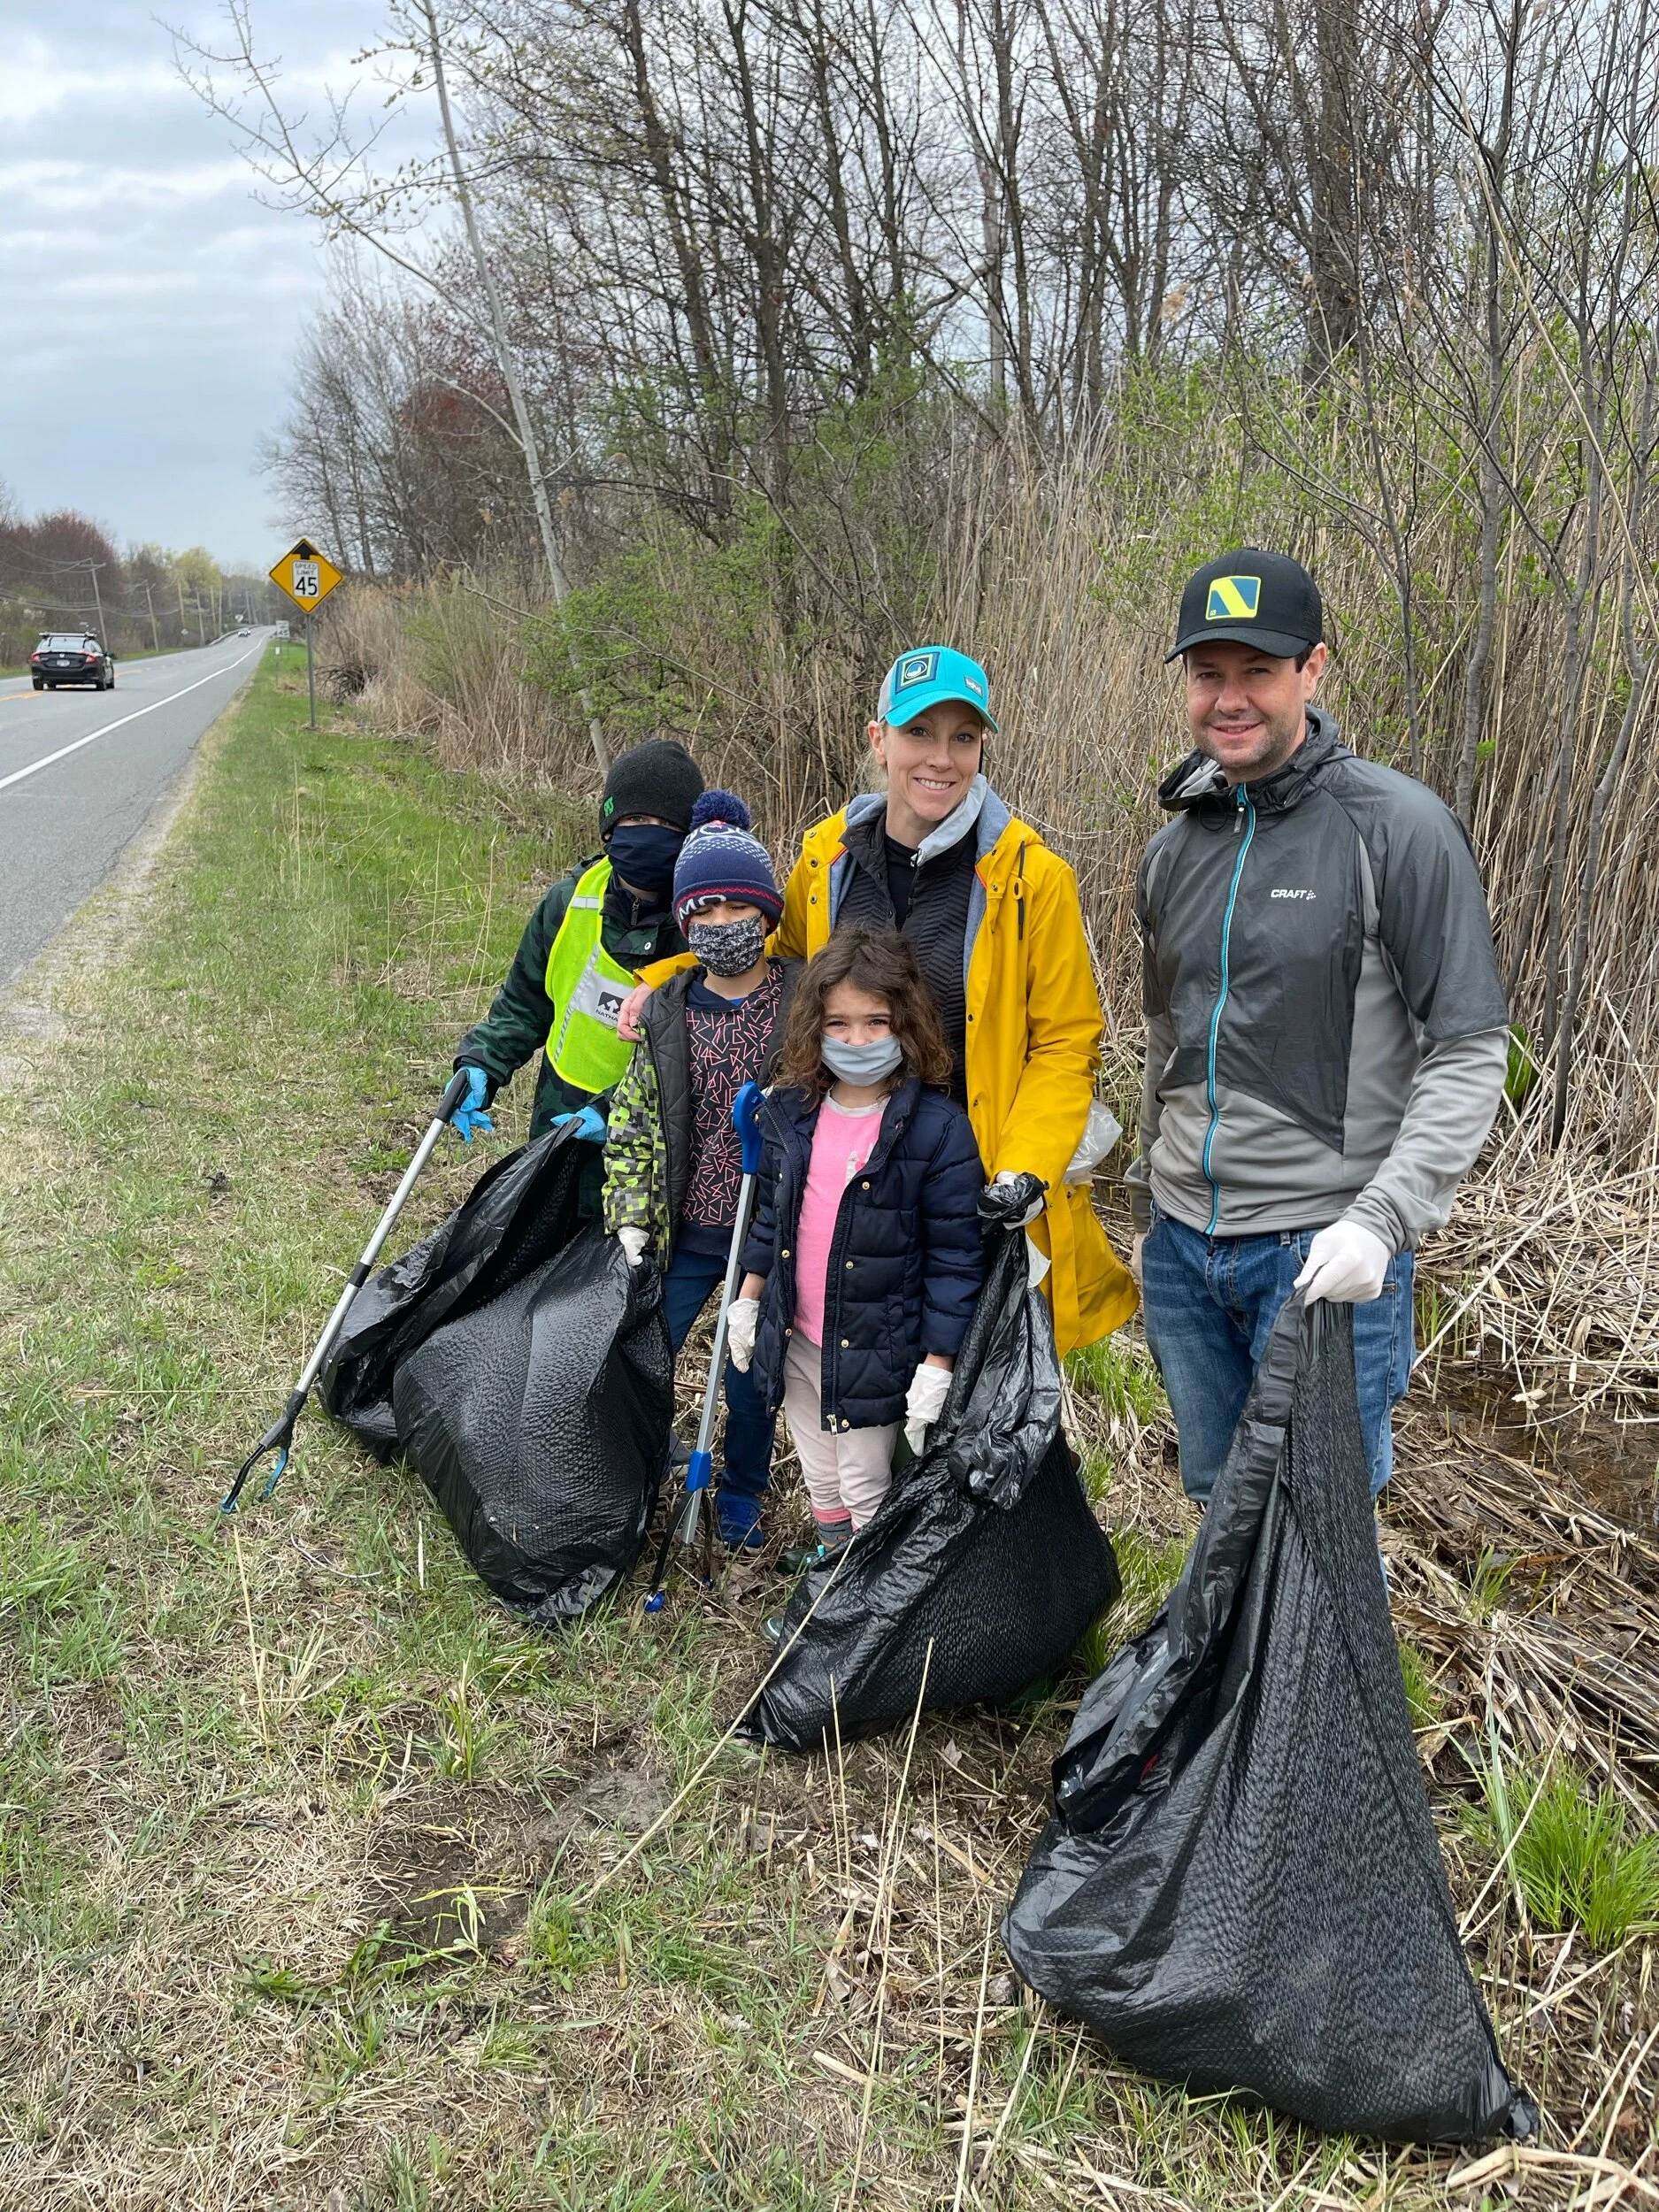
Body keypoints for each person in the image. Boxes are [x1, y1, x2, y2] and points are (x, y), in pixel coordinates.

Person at [1127, 548, 1509, 1505]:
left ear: (1314, 669)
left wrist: (1382, 1223)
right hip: (1183, 1250)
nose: (1230, 697)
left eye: (1258, 670)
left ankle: (1331, 1667)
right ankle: (1236, 1666)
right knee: (1219, 1511)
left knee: (1322, 1529)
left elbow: (1470, 1050)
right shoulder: (1172, 851)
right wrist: (1147, 1207)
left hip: (1319, 1253)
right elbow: (1166, 1043)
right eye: (1208, 674)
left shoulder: (1397, 829)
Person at [625, 647, 1138, 1357]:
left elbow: (1064, 1041)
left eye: (963, 737)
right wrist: (670, 973)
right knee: (856, 1380)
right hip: (846, 1168)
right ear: (878, 740)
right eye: (919, 733)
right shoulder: (827, 857)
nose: (942, 758)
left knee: (956, 1385)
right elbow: (774, 959)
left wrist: (1024, 1168)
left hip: (966, 1178)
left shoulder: (1031, 879)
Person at [727, 928, 987, 1586]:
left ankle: (865, 1600)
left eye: (877, 1022)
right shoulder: (792, 1111)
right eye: (839, 1023)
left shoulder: (936, 1129)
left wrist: (937, 1363)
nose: (858, 1040)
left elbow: (957, 1257)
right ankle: (831, 1572)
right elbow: (771, 1216)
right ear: (814, 1027)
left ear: (907, 1024)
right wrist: (748, 1300)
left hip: (875, 1347)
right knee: (819, 1469)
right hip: (796, 1336)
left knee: (865, 1479)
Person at [603, 792, 797, 1550]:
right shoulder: (666, 1011)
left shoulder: (802, 998)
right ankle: (644, 1465)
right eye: (705, 915)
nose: (724, 929)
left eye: (739, 911)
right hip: (687, 1227)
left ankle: (743, 1487)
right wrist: (627, 1216)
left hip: (768, 1234)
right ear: (686, 924)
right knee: (647, 1350)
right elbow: (635, 1122)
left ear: (767, 913)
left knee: (752, 1377)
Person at [448, 738, 704, 1215]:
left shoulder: (705, 923)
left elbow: (701, 1050)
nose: (651, 834)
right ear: (609, 829)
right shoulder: (568, 903)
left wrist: (614, 1113)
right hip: (558, 1123)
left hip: (650, 1146)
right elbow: (523, 1005)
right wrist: (482, 1062)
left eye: (668, 825)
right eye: (636, 821)